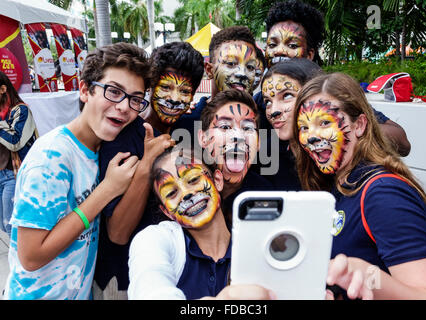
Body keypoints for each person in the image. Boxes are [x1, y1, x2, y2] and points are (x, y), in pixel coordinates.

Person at [128, 146, 372, 300]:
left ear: (217, 180)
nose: (187, 194)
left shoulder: (262, 245)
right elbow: (150, 286)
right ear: (166, 212)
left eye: (192, 179)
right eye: (171, 193)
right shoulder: (155, 240)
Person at [4, 42, 148, 300]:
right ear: (85, 90)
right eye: (114, 91)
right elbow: (31, 256)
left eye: (135, 99)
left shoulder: (99, 151)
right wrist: (106, 191)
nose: (125, 106)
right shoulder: (52, 156)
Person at [291, 72, 426, 299]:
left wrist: (369, 276)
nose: (311, 137)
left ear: (360, 125)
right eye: (304, 128)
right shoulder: (337, 184)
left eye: (324, 122)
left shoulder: (383, 193)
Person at [93, 41, 203, 300]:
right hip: (122, 279)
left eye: (185, 91)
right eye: (166, 87)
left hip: (173, 273)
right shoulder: (123, 137)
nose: (174, 99)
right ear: (151, 88)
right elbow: (118, 233)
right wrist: (147, 165)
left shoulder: (189, 130)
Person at [254, 0, 411, 157]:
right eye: (272, 45)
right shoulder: (263, 101)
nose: (279, 51)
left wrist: (335, 124)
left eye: (293, 45)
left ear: (310, 54)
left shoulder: (332, 93)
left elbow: (402, 144)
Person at [173, 26, 263, 141]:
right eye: (230, 63)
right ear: (209, 70)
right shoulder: (186, 121)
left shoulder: (263, 120)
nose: (242, 74)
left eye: (250, 67)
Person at [198, 89, 273, 224]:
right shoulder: (189, 187)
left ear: (259, 142)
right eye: (225, 127)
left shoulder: (267, 196)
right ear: (203, 138)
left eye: (248, 128)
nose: (238, 137)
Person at [259, 58, 323, 190]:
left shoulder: (340, 153)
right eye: (268, 102)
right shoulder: (267, 156)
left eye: (287, 96)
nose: (274, 111)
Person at [0, 71, 38, 236]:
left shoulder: (21, 111)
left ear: (2, 89)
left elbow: (15, 141)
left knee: (12, 227)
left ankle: (22, 260)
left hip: (13, 175)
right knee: (3, 224)